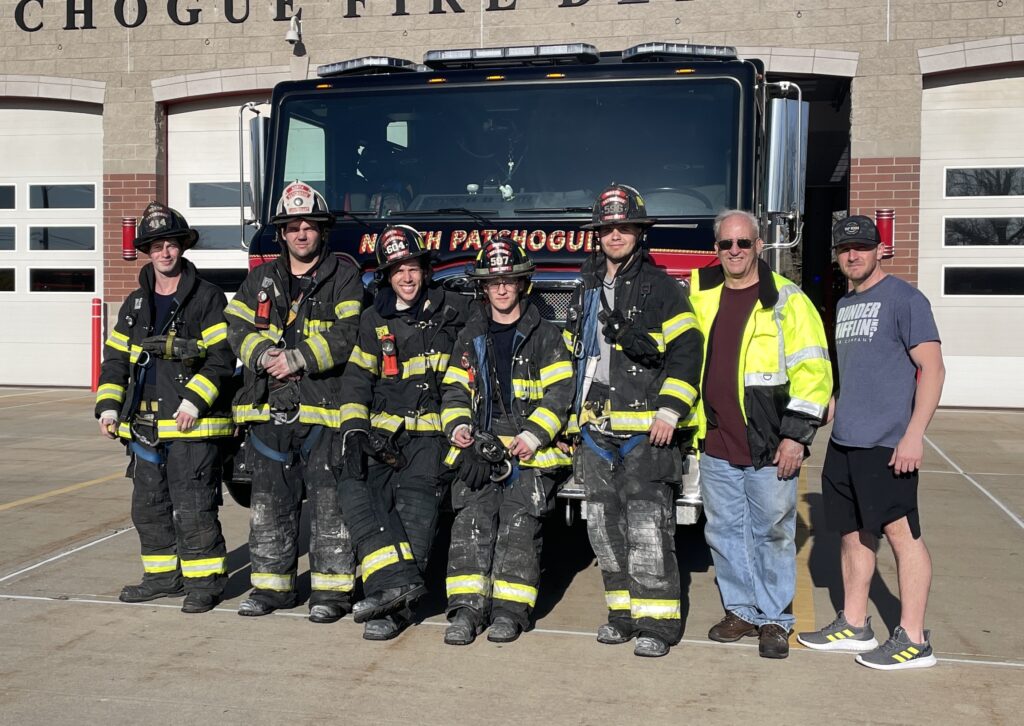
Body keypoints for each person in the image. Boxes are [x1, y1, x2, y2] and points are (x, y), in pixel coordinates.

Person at [797, 215, 943, 670]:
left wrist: (914, 435)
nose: (852, 255)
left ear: (880, 250)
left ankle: (914, 640)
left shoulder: (905, 299)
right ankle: (855, 624)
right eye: (845, 249)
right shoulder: (844, 304)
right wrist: (836, 401)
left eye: (861, 247)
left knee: (903, 535)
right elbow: (860, 368)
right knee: (852, 533)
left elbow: (933, 369)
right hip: (845, 442)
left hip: (888, 443)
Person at [563, 183, 703, 658]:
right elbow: (576, 357)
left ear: (640, 232)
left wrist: (670, 410)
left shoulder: (663, 289)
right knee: (603, 530)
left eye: (624, 227)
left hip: (646, 430)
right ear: (598, 235)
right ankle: (622, 615)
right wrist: (570, 421)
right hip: (594, 430)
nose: (615, 235)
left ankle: (657, 624)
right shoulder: (585, 287)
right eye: (608, 229)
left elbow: (688, 351)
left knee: (648, 528)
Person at [690, 209, 832, 659]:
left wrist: (796, 437)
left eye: (743, 243)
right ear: (716, 248)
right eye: (725, 244)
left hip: (771, 444)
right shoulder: (700, 294)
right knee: (724, 533)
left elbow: (814, 374)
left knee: (772, 533)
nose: (734, 251)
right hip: (715, 441)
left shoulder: (788, 300)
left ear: (759, 245)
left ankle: (774, 619)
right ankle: (741, 612)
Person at [225, 180, 362, 622]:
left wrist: (298, 358)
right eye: (293, 227)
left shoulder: (344, 276)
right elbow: (235, 327)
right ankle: (271, 588)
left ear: (322, 230)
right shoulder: (260, 280)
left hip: (324, 411)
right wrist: (265, 356)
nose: (301, 234)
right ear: (282, 234)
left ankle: (332, 594)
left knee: (330, 505)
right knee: (269, 504)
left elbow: (349, 333)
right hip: (270, 410)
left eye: (309, 226)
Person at [95, 202, 234, 614]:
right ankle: (162, 578)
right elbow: (115, 360)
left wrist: (194, 400)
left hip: (191, 425)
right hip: (144, 427)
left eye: (171, 244)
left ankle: (205, 584)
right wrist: (109, 408)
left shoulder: (207, 297)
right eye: (157, 247)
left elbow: (222, 357)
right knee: (149, 508)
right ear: (147, 252)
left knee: (194, 507)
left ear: (182, 247)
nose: (165, 253)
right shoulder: (136, 304)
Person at [335, 224, 471, 640]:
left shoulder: (457, 310)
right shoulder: (374, 318)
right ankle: (395, 587)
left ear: (425, 271)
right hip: (384, 435)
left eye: (412, 268)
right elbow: (357, 379)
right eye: (398, 271)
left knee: (414, 509)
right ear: (387, 276)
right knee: (357, 492)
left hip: (434, 435)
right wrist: (354, 430)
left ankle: (395, 610)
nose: (407, 278)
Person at [439, 238, 574, 645]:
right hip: (479, 449)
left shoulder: (546, 336)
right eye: (493, 281)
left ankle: (509, 613)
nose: (501, 288)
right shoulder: (470, 336)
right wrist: (458, 429)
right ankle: (466, 611)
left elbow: (561, 393)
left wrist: (534, 435)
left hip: (529, 451)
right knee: (471, 520)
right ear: (483, 287)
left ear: (522, 284)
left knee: (519, 525)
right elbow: (454, 390)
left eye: (508, 280)